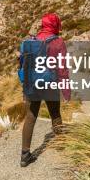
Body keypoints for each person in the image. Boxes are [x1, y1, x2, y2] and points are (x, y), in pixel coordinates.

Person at [20, 12, 70, 167]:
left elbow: (22, 64)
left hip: (31, 84)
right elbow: (62, 69)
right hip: (49, 84)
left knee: (30, 116)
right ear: (55, 25)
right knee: (55, 113)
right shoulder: (58, 42)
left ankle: (25, 155)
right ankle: (62, 147)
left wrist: (25, 88)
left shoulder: (30, 41)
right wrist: (66, 91)